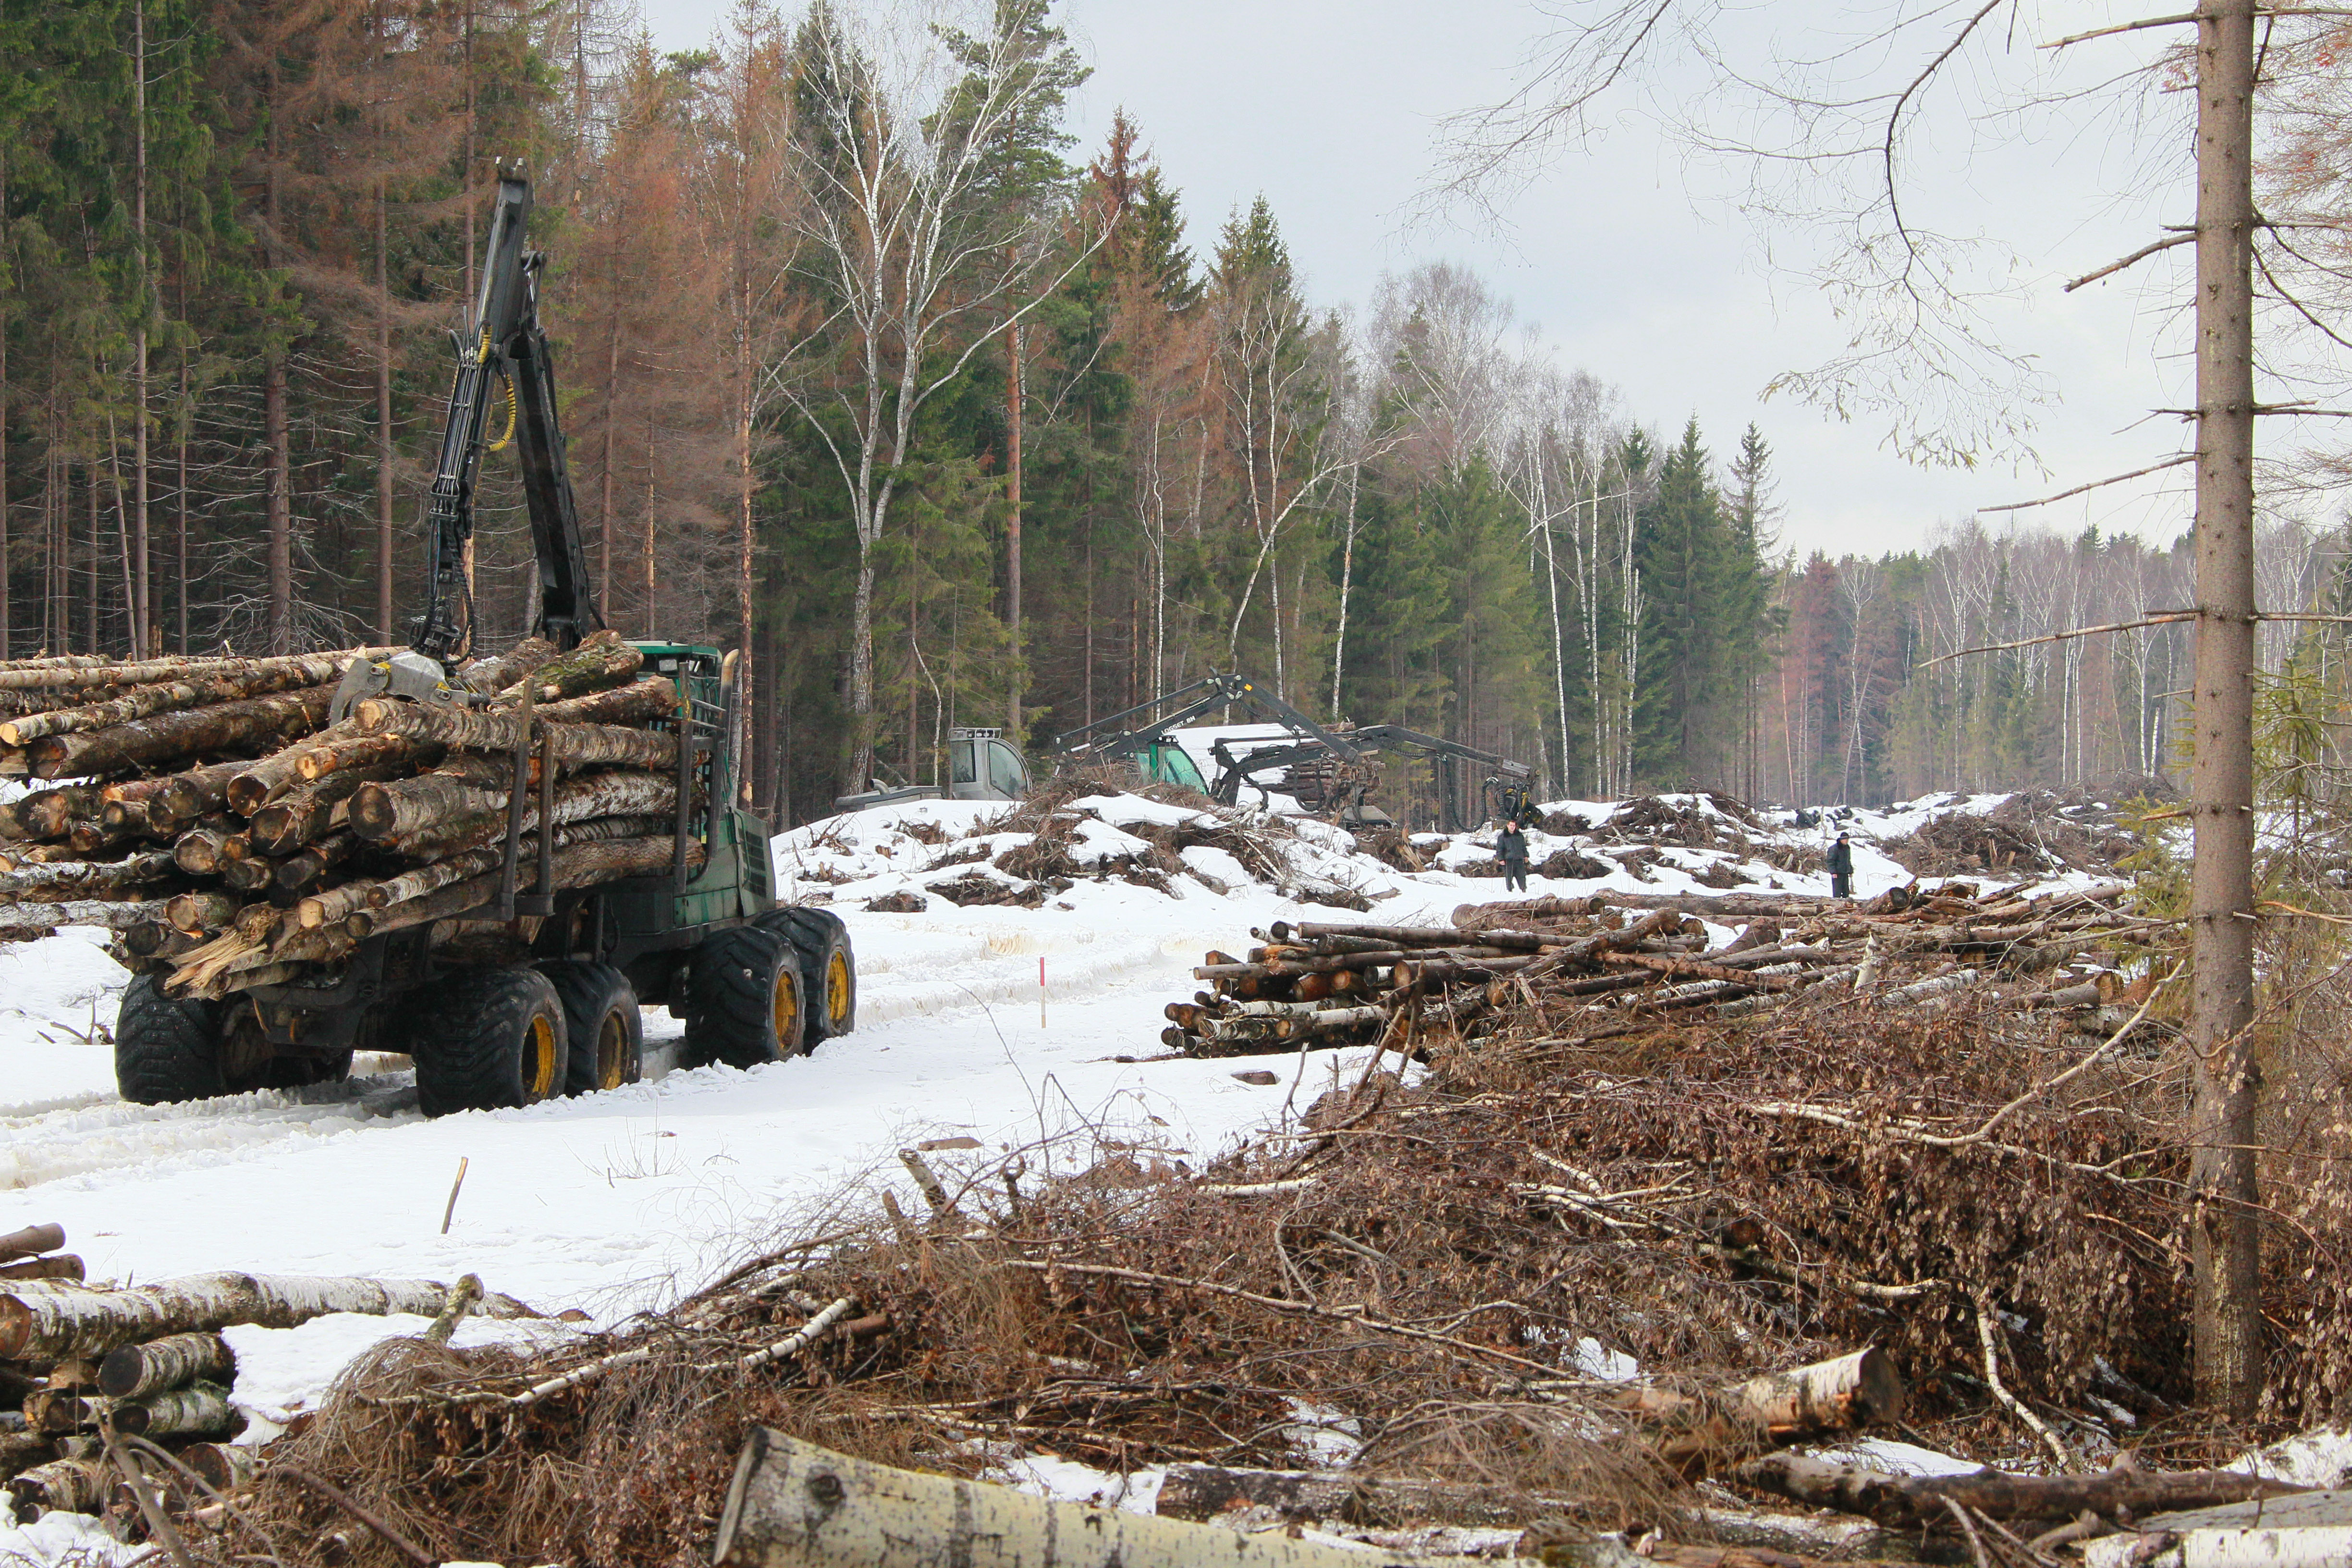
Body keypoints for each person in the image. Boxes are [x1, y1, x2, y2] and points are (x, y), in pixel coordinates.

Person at [1496, 819, 1531, 893]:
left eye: (1514, 826)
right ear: (1508, 826)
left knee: (1522, 877)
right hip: (1508, 860)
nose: (1512, 827)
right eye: (1511, 825)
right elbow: (1499, 849)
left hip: (1519, 859)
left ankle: (1524, 890)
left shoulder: (1519, 836)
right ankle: (1510, 891)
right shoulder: (1503, 836)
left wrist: (1526, 856)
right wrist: (1500, 859)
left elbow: (1523, 847)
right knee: (1509, 877)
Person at [1826, 831, 1853, 900]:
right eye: (1845, 839)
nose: (1847, 841)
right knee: (1837, 893)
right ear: (1841, 840)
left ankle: (1847, 906)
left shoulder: (1847, 848)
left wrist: (1850, 870)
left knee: (1846, 892)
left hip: (1845, 873)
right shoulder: (1834, 849)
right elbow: (1830, 861)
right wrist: (1833, 872)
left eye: (1847, 839)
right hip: (1837, 873)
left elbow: (1848, 860)